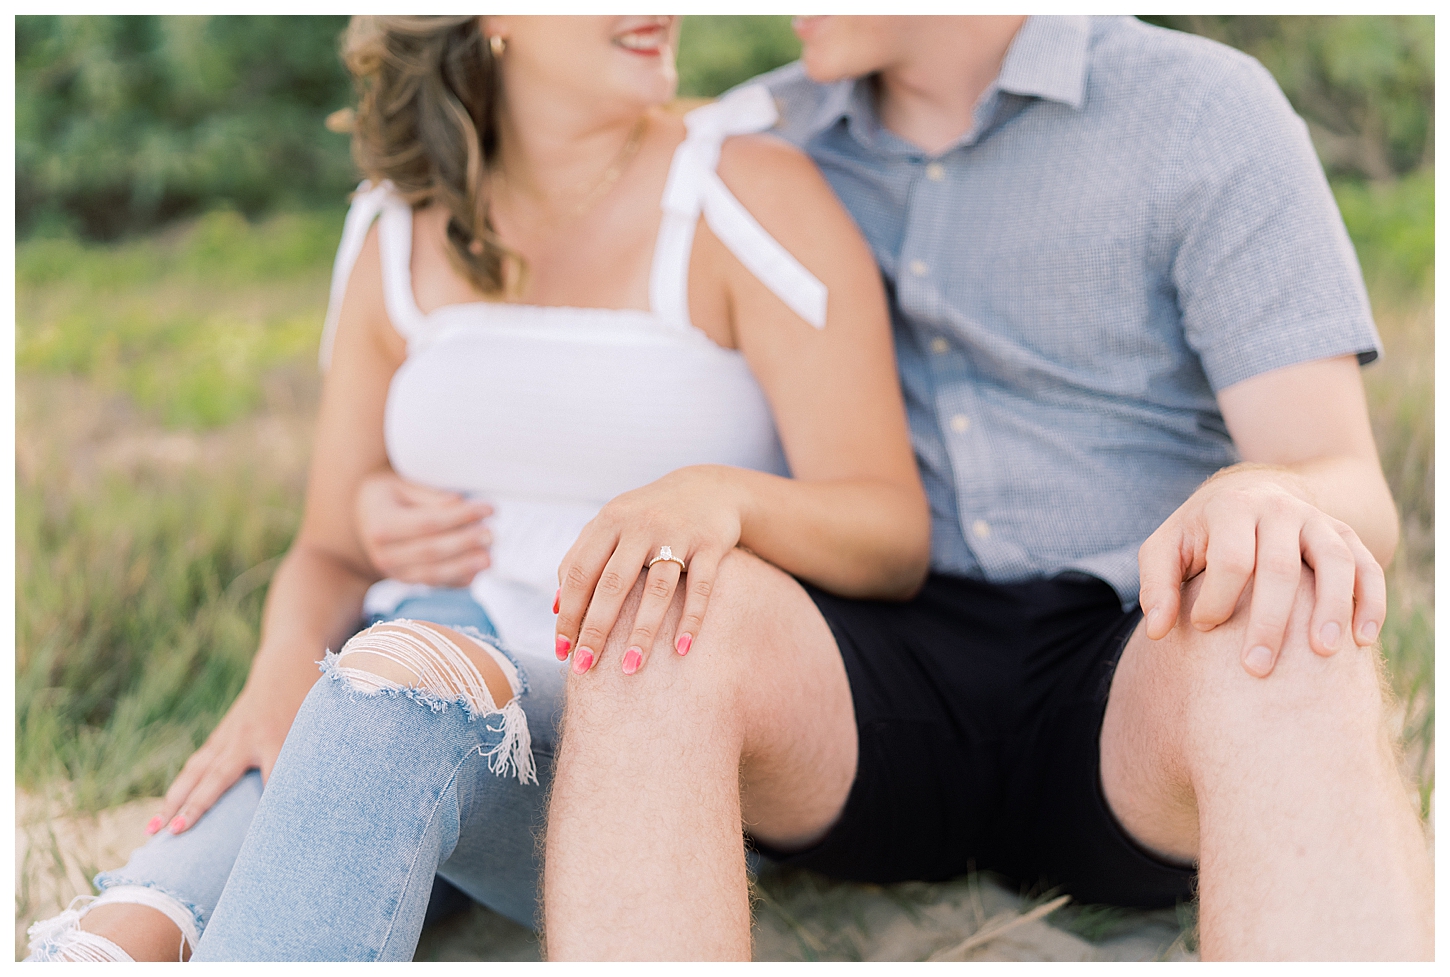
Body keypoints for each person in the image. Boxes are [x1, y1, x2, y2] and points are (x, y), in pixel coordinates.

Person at [364, 15, 1433, 962]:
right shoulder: (754, 139)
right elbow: (550, 313)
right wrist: (384, 498)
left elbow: (1347, 485)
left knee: (1288, 619)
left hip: (1133, 662)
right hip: (861, 675)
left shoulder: (1199, 111)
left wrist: (1264, 495)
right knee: (664, 603)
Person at [26, 14, 929, 962]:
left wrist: (720, 496)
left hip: (636, 730)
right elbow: (331, 547)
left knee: (399, 688)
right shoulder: (392, 221)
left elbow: (890, 531)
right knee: (121, 934)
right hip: (389, 682)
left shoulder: (745, 191)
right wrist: (284, 663)